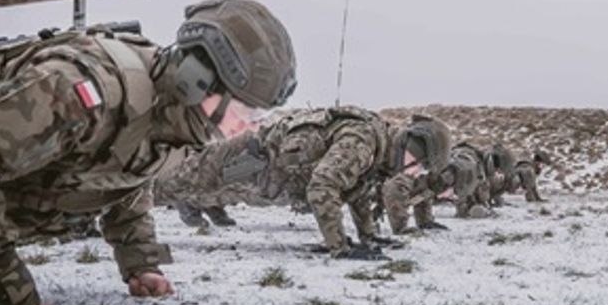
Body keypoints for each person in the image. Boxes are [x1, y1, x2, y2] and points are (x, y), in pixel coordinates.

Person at [0, 0, 297, 305]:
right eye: (246, 109)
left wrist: (141, 263)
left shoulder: (174, 120)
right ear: (195, 81)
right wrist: (12, 299)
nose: (248, 125)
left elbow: (129, 175)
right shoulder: (82, 90)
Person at [153, 108, 452, 257]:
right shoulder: (362, 142)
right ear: (410, 145)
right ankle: (112, 202)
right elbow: (323, 186)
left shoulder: (376, 153)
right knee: (174, 185)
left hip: (264, 179)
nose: (416, 173)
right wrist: (339, 246)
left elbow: (355, 190)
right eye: (420, 164)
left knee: (199, 194)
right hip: (249, 162)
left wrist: (368, 237)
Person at [381, 148, 482, 233]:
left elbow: (424, 194)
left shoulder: (436, 180)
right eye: (453, 192)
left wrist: (425, 222)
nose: (452, 197)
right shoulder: (418, 171)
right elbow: (393, 190)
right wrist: (400, 227)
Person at [484, 143, 517, 207]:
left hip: (489, 175)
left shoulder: (488, 153)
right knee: (498, 190)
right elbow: (511, 166)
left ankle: (490, 200)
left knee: (490, 189)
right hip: (502, 174)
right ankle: (496, 200)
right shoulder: (507, 153)